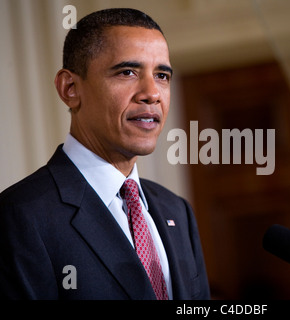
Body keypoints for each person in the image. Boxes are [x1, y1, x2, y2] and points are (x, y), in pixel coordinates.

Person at [0, 8, 210, 300]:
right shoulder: (20, 215)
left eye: (162, 75)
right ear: (70, 88)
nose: (152, 93)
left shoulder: (177, 211)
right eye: (127, 72)